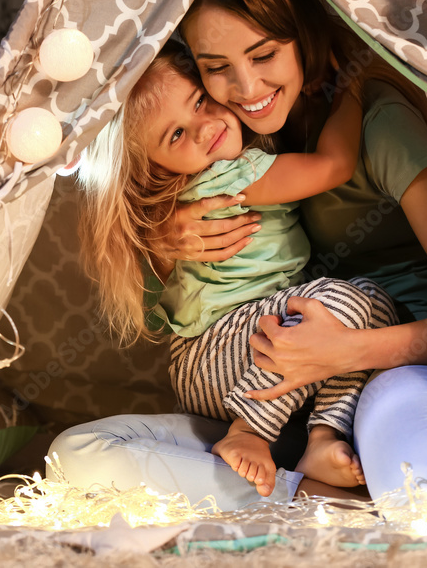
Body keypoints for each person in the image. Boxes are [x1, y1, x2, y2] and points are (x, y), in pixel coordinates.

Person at [49, 0, 427, 507]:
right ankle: (314, 498)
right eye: (216, 69)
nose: (247, 90)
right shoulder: (234, 143)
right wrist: (161, 232)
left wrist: (348, 352)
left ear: (301, 35)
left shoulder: (376, 119)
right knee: (75, 454)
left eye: (265, 54)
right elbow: (144, 193)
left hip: (393, 372)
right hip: (278, 393)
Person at [76, 41, 398, 495]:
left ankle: (323, 437)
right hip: (217, 351)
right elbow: (334, 165)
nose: (205, 128)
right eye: (176, 135)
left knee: (370, 310)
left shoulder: (188, 193)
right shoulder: (229, 177)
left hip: (232, 357)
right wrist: (353, 87)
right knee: (345, 301)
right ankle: (250, 429)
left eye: (200, 101)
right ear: (154, 169)